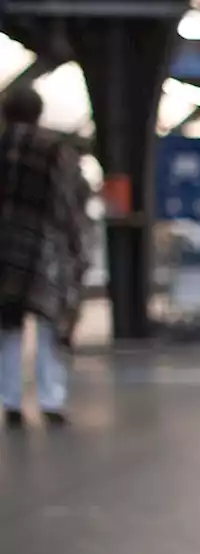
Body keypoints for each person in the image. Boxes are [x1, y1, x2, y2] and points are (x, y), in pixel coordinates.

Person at [0, 85, 89, 429]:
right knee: (51, 322)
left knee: (8, 326)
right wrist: (74, 244)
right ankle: (52, 400)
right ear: (39, 113)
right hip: (45, 245)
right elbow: (69, 198)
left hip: (4, 247)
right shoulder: (55, 150)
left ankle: (11, 402)